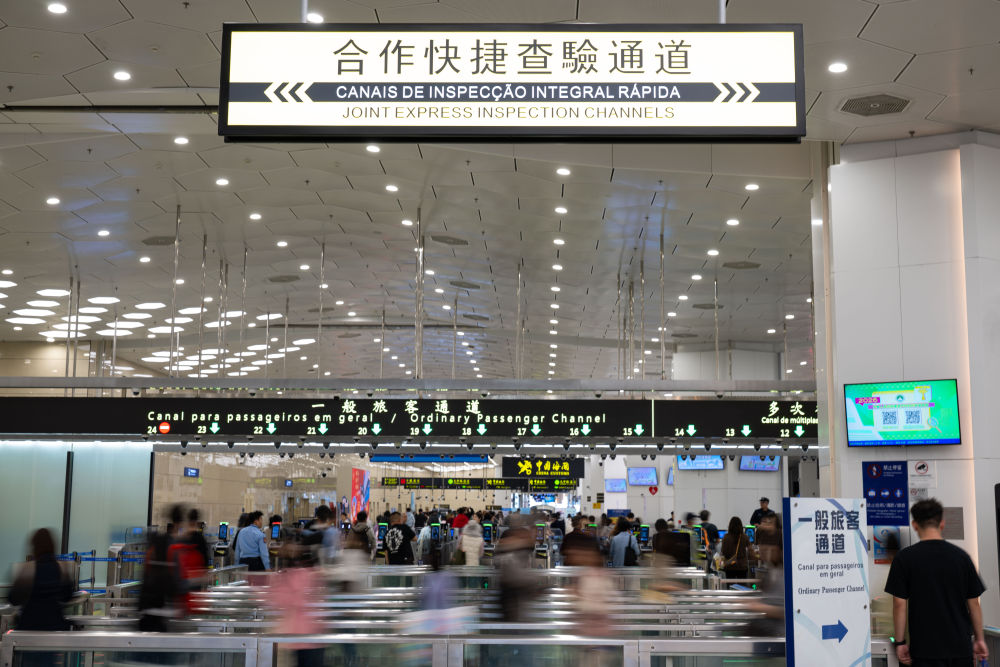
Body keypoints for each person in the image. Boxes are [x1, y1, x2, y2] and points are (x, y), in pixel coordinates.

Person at [885, 499, 987, 666]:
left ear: (915, 525)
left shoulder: (904, 559)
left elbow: (899, 604)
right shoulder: (962, 557)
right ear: (942, 523)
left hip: (924, 650)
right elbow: (974, 603)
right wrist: (979, 639)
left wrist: (900, 642)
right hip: (960, 649)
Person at [8, 528, 74, 631]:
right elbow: (67, 597)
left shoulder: (28, 569)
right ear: (53, 546)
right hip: (55, 627)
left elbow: (13, 599)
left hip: (28, 627)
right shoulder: (62, 568)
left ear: (34, 547)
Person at [720, 516, 750, 581]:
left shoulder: (726, 537)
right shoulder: (745, 537)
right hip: (742, 566)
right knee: (742, 585)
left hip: (729, 566)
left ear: (730, 526)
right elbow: (750, 550)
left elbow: (724, 551)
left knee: (730, 585)